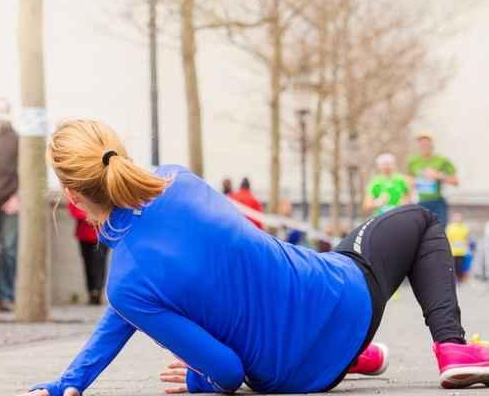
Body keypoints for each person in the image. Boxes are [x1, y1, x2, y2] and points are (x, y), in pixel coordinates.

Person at [24, 120, 489, 396]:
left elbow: (226, 373)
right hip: (345, 304)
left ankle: (354, 357)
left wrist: (70, 382)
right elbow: (129, 306)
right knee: (419, 220)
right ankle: (452, 348)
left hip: (292, 377)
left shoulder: (126, 284)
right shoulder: (178, 181)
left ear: (72, 196)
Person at [0, 98, 19, 312]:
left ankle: (6, 296)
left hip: (10, 202)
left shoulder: (18, 139)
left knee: (8, 249)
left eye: (1, 110)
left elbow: (27, 169)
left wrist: (18, 196)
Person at [408, 131, 458, 227]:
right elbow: (409, 181)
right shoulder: (413, 161)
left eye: (426, 143)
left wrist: (439, 176)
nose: (424, 146)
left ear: (431, 144)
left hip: (437, 202)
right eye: (421, 144)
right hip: (420, 202)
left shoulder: (442, 160)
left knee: (439, 230)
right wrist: (412, 183)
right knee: (421, 231)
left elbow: (455, 182)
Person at [68, 203, 108, 305]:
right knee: (88, 263)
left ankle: (97, 291)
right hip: (85, 233)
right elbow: (73, 207)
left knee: (100, 263)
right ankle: (91, 291)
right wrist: (90, 216)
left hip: (101, 234)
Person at [446, 213, 470, 282]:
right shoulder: (450, 227)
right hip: (453, 251)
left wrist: (467, 247)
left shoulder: (464, 227)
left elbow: (467, 238)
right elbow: (448, 238)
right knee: (453, 265)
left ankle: (460, 278)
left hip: (461, 251)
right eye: (456, 217)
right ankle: (454, 278)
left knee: (461, 266)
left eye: (459, 217)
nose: (458, 219)